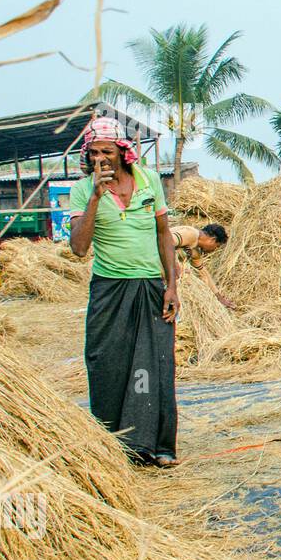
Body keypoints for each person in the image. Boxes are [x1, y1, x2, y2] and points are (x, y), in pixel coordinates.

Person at [69, 116, 181, 467]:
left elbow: (164, 234)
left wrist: (171, 285)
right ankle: (113, 445)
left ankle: (157, 446)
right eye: (93, 152)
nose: (100, 158)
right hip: (109, 289)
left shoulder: (147, 180)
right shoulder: (83, 190)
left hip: (149, 285)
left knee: (154, 365)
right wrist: (96, 197)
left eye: (107, 150)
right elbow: (78, 248)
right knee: (108, 365)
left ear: (122, 151)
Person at [171, 221, 233, 308]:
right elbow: (165, 243)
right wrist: (175, 266)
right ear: (212, 240)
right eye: (217, 246)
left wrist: (218, 297)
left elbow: (203, 272)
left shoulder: (195, 251)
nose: (215, 249)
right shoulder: (191, 234)